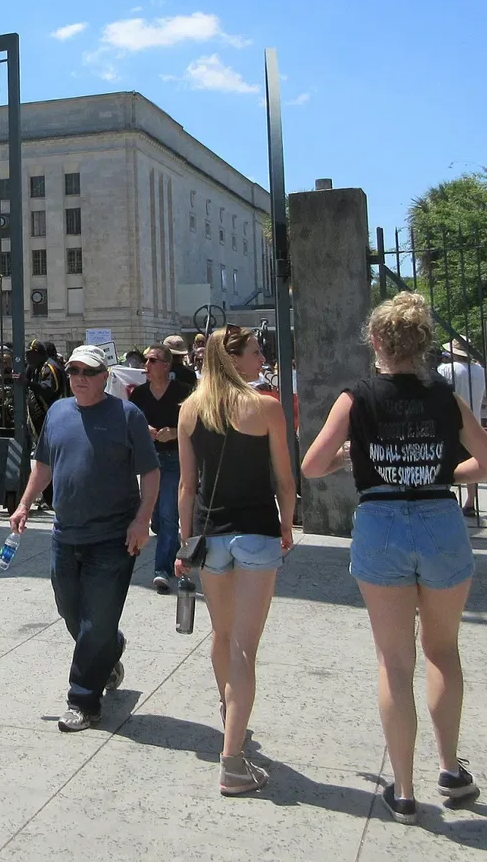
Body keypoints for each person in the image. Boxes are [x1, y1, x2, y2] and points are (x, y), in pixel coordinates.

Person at [301, 292, 487, 825]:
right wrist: (446, 473)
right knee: (442, 651)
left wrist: (350, 457)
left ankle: (406, 789)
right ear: (423, 344)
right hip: (439, 518)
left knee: (394, 662)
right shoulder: (445, 398)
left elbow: (313, 465)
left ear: (375, 342)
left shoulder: (357, 398)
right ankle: (451, 769)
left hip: (381, 521)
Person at [10, 344, 157, 733]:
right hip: (65, 534)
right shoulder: (58, 412)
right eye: (74, 371)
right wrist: (24, 504)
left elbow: (151, 472)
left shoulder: (127, 415)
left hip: (113, 536)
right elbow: (44, 465)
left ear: (104, 377)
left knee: (96, 621)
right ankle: (110, 648)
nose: (79, 378)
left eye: (88, 372)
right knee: (71, 611)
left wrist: (142, 520)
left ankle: (83, 701)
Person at [175, 325, 294, 795]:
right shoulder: (266, 407)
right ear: (233, 358)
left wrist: (184, 540)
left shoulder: (190, 410)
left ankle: (231, 714)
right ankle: (232, 761)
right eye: (254, 351)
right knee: (245, 647)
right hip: (257, 532)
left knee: (222, 636)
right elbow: (284, 478)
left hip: (210, 534)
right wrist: (288, 524)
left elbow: (187, 486)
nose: (261, 357)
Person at [130, 344, 192, 593]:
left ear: (166, 366)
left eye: (153, 360)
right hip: (149, 461)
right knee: (156, 518)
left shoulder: (183, 392)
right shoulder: (139, 394)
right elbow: (131, 422)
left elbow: (196, 424)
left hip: (174, 459)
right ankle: (170, 543)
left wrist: (174, 432)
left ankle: (162, 570)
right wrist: (143, 429)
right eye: (146, 360)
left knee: (168, 515)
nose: (146, 365)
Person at [436, 341, 487, 519]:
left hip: (450, 422)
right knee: (471, 462)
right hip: (474, 422)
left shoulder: (446, 369)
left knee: (446, 463)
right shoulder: (480, 371)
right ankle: (470, 502)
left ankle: (445, 499)